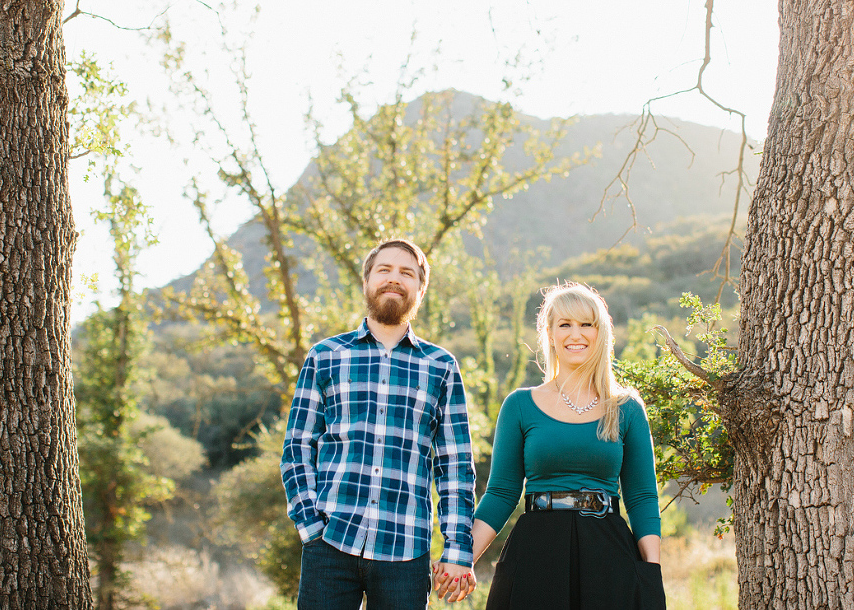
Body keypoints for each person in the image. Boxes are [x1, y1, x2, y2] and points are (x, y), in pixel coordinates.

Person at [440, 281, 665, 609]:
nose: (576, 334)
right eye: (565, 324)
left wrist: (651, 574)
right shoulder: (519, 405)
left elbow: (642, 497)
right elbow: (502, 492)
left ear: (601, 332)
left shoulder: (627, 407)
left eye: (586, 324)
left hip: (609, 557)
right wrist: (462, 559)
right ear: (549, 333)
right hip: (535, 553)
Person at [281, 238, 478, 610]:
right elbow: (296, 447)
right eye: (384, 270)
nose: (394, 279)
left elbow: (454, 466)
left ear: (421, 289)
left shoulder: (442, 366)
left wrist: (457, 547)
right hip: (331, 546)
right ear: (367, 281)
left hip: (407, 554)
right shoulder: (325, 356)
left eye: (407, 273)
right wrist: (311, 528)